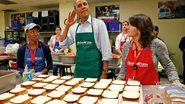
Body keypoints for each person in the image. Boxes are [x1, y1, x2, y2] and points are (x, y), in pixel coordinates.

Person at [117, 14, 185, 88]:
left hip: (151, 89)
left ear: (140, 27)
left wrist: (175, 81)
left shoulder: (157, 44)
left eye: (131, 25)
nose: (127, 28)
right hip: (130, 89)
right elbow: (124, 68)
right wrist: (118, 81)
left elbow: (168, 65)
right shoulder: (126, 46)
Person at [59, 0, 112, 79]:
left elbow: (106, 50)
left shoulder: (99, 24)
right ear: (75, 10)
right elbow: (62, 44)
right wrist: (67, 26)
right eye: (79, 5)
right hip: (79, 71)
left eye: (85, 4)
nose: (83, 7)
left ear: (88, 7)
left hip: (95, 70)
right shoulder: (74, 28)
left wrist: (104, 72)